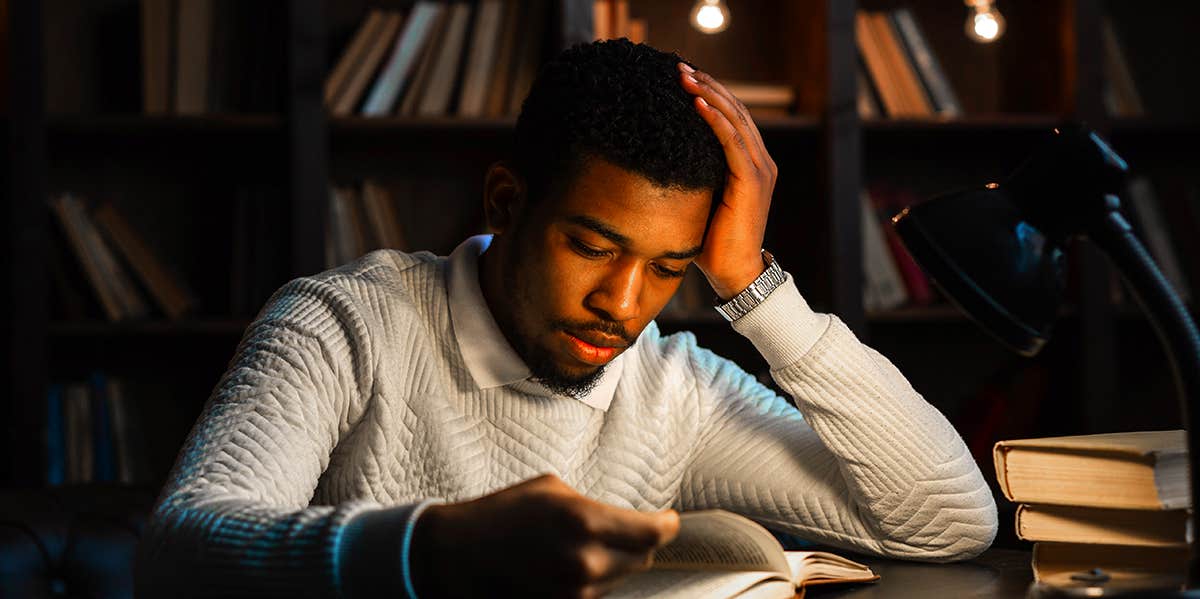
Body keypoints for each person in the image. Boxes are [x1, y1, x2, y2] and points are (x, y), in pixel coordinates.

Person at [135, 39, 997, 598]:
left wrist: (751, 286)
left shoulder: (671, 386)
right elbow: (178, 550)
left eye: (667, 268)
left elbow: (949, 520)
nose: (622, 306)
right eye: (591, 246)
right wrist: (437, 549)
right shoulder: (346, 322)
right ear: (507, 201)